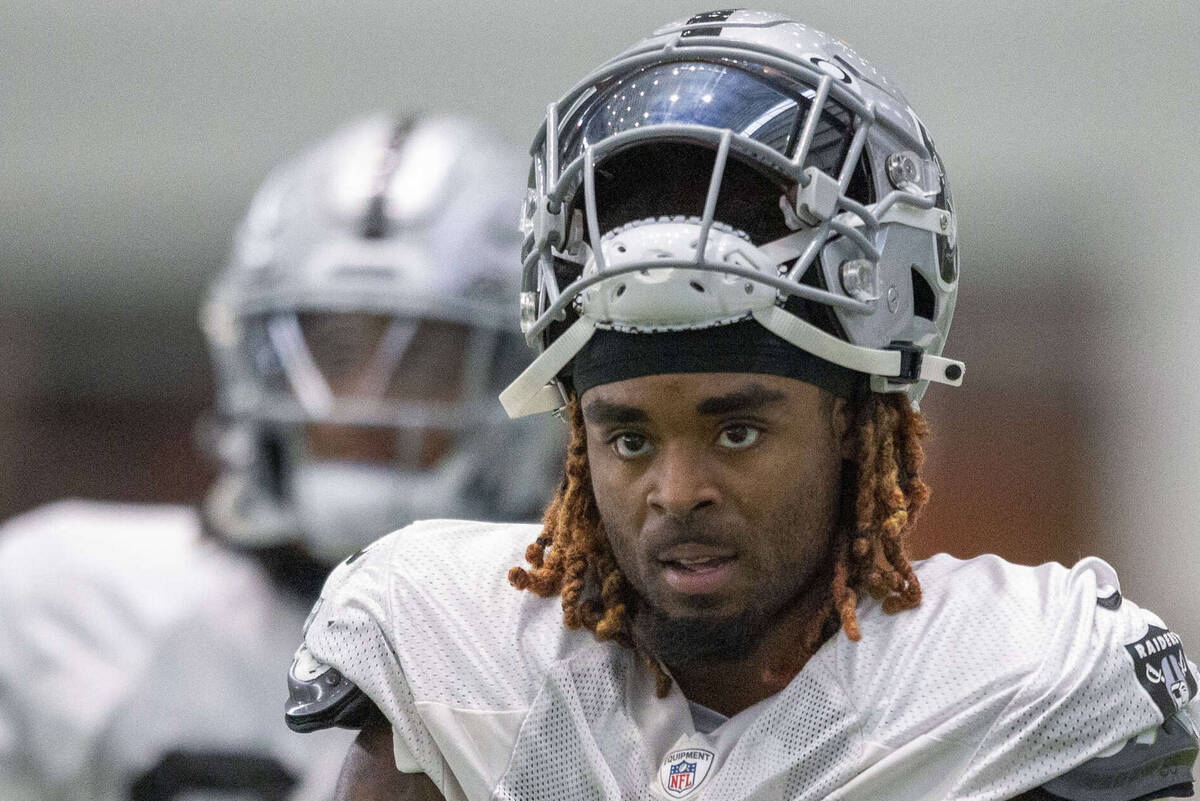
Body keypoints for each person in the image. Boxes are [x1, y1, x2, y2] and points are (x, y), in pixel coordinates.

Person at [287, 12, 1199, 801]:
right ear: (575, 435)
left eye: (737, 429)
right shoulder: (447, 643)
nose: (678, 491)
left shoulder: (1022, 678)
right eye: (632, 435)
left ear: (854, 421)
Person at [0, 114, 561, 801]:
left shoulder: (595, 647)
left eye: (422, 358)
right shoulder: (62, 604)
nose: (359, 401)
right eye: (330, 352)